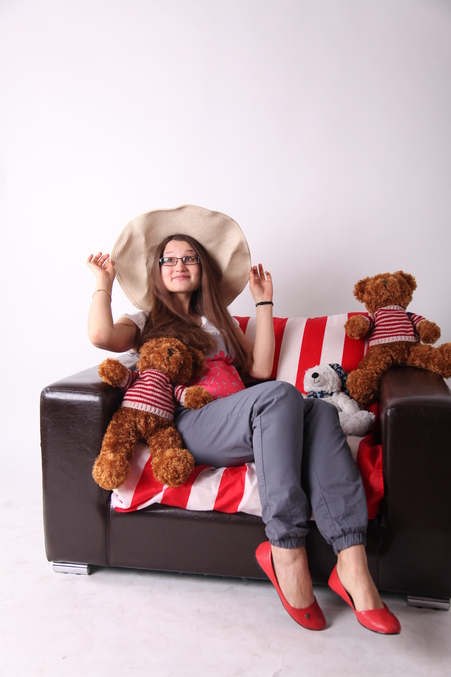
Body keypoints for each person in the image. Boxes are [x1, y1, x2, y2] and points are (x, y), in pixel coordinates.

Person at [87, 204, 401, 634]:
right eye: (168, 259)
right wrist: (103, 284)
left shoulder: (218, 322)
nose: (179, 265)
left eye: (189, 258)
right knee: (281, 396)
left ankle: (352, 563)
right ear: (156, 271)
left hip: (242, 420)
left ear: (203, 268)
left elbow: (260, 369)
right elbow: (101, 336)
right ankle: (285, 549)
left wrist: (263, 302)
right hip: (192, 421)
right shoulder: (144, 320)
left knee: (320, 412)